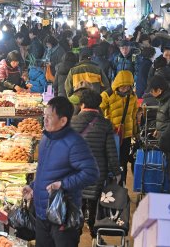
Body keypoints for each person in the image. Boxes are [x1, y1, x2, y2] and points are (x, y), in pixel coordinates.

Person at [22, 97, 99, 246]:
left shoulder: (74, 142)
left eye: (49, 117)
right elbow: (45, 171)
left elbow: (91, 173)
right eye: (44, 116)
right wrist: (33, 186)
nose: (45, 120)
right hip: (42, 214)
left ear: (63, 121)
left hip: (62, 214)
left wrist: (63, 184)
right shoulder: (45, 138)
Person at [70, 90, 121, 239]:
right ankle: (93, 227)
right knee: (93, 201)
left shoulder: (71, 122)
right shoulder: (105, 124)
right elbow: (111, 152)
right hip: (96, 171)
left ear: (82, 104)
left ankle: (77, 229)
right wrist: (117, 172)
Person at [100, 71, 138, 184]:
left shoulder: (132, 97)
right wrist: (108, 125)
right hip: (112, 135)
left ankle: (122, 186)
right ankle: (110, 188)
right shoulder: (107, 95)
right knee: (111, 161)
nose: (124, 89)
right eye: (122, 86)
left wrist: (136, 132)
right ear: (117, 84)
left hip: (126, 135)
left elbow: (134, 115)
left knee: (123, 162)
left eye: (127, 86)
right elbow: (98, 111)